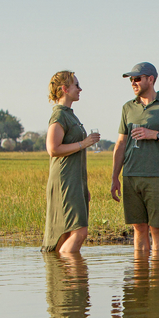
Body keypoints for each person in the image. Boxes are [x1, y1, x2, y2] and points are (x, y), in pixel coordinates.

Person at [111, 62, 159, 251]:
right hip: (131, 176)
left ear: (151, 79)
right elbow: (121, 143)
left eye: (137, 78)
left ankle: (158, 277)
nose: (133, 83)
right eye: (131, 79)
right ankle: (141, 278)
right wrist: (115, 177)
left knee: (157, 228)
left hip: (157, 176)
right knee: (138, 228)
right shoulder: (128, 108)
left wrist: (156, 135)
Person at [42, 71, 100, 253]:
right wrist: (84, 143)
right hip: (65, 180)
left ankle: (62, 277)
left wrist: (83, 186)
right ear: (65, 89)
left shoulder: (70, 115)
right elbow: (53, 149)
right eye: (76, 85)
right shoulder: (59, 115)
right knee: (80, 231)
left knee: (67, 232)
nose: (80, 89)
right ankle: (69, 272)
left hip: (75, 180)